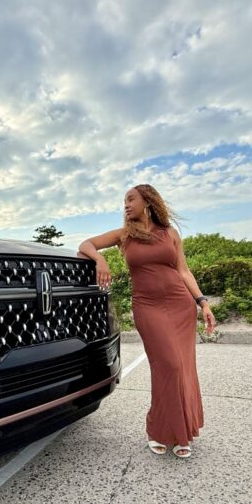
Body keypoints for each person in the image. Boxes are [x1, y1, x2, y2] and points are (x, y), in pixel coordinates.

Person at [78, 183, 215, 458]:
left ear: (148, 202)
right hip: (148, 308)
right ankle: (158, 429)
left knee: (183, 367)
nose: (126, 205)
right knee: (170, 365)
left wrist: (202, 302)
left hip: (180, 306)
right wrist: (100, 262)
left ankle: (179, 433)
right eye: (124, 201)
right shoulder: (124, 235)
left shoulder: (170, 235)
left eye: (131, 199)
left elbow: (184, 271)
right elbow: (86, 245)